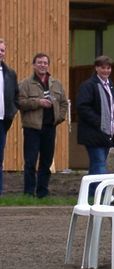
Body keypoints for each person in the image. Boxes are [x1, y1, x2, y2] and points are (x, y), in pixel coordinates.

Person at [17, 53, 68, 198]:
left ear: (48, 65)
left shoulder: (56, 84)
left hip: (49, 128)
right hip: (32, 128)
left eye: (45, 63)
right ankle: (28, 193)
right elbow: (20, 103)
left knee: (46, 162)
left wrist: (59, 117)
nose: (42, 65)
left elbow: (63, 103)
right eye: (39, 62)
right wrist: (38, 102)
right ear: (34, 65)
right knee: (30, 161)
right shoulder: (25, 84)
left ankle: (42, 192)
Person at [76, 55, 114, 195]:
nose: (106, 71)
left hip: (108, 133)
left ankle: (91, 194)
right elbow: (82, 107)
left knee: (96, 165)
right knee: (100, 163)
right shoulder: (88, 85)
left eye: (108, 68)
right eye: (103, 67)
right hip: (94, 132)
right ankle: (103, 194)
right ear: (96, 68)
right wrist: (99, 122)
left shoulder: (111, 86)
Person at [0, 38, 19, 196]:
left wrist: (12, 111)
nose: (0, 53)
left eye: (2, 50)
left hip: (2, 121)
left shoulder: (10, 74)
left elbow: (16, 95)